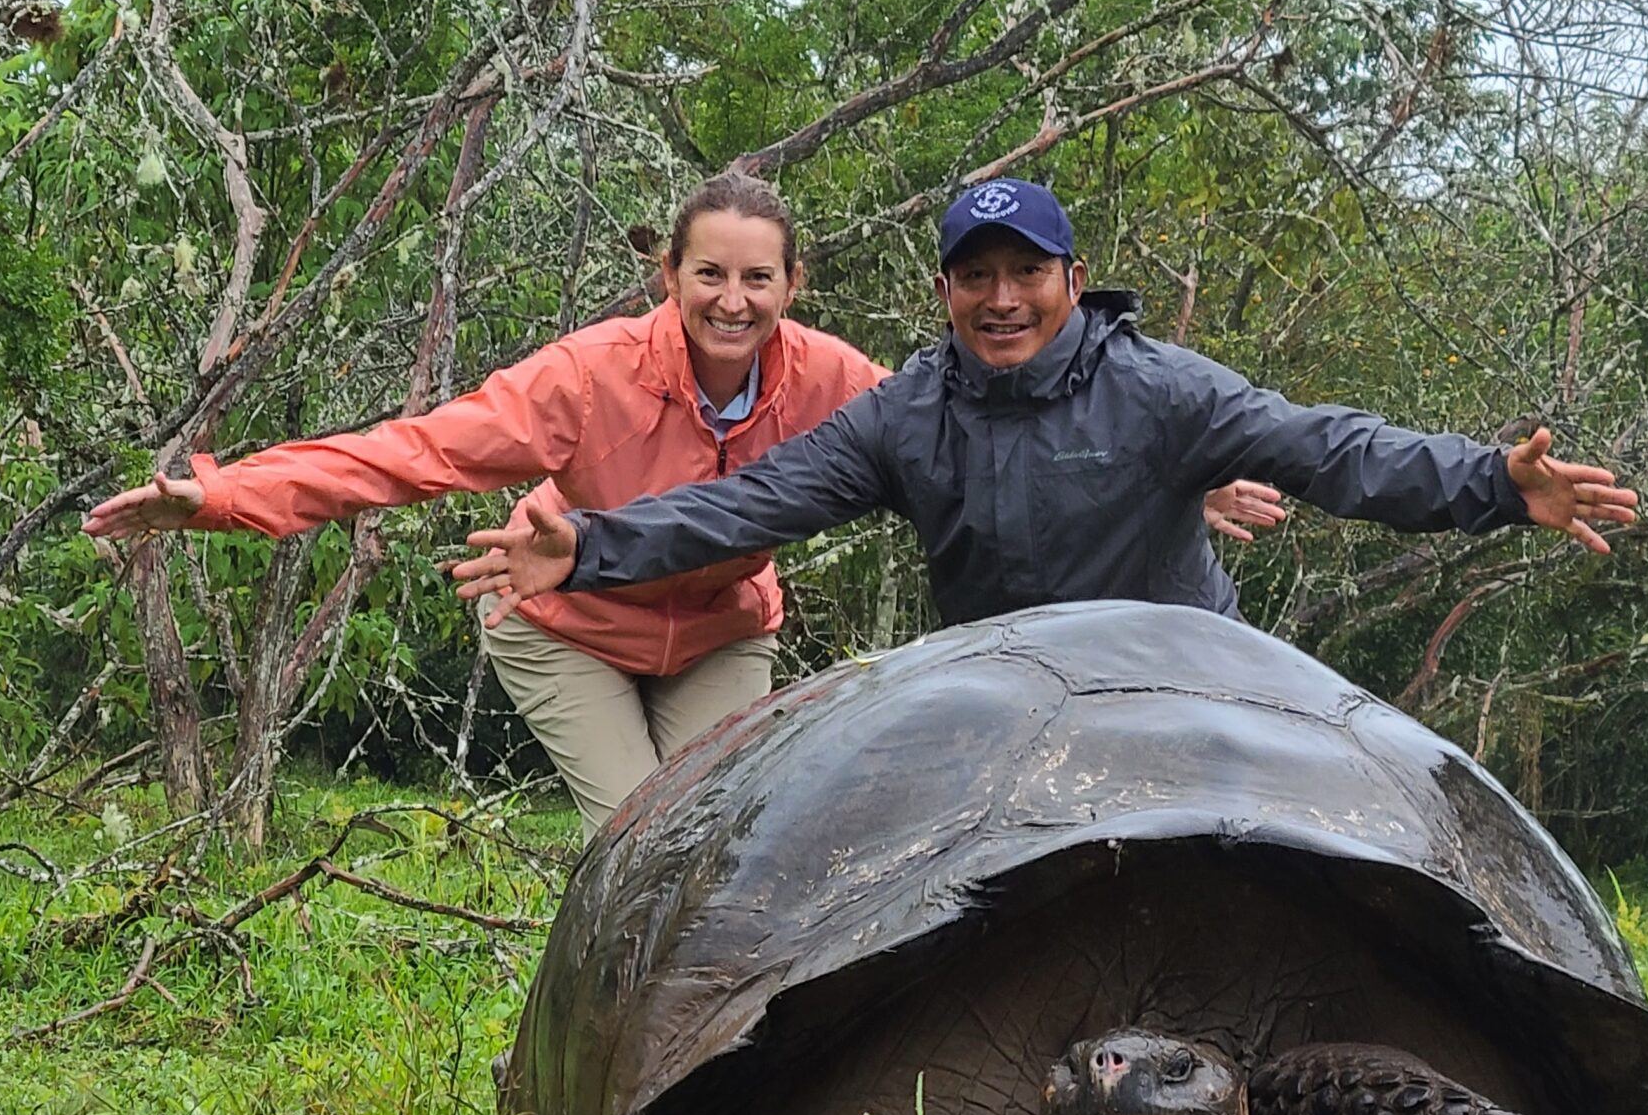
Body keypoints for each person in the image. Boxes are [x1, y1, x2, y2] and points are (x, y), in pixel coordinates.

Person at [84, 172, 1288, 823]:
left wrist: (1171, 468)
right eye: (707, 273)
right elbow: (408, 454)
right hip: (570, 626)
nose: (732, 298)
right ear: (668, 275)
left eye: (756, 278)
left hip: (719, 628)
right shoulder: (578, 380)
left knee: (726, 824)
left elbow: (990, 428)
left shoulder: (835, 381)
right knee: (639, 829)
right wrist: (228, 496)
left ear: (790, 284)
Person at [452, 178, 1637, 636]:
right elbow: (751, 502)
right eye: (978, 276)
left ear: (1075, 280)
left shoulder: (1161, 391)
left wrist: (1493, 482)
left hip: (1179, 669)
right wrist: (590, 548)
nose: (1003, 299)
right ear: (946, 291)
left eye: (1028, 274)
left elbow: (1327, 449)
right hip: (996, 687)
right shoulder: (903, 416)